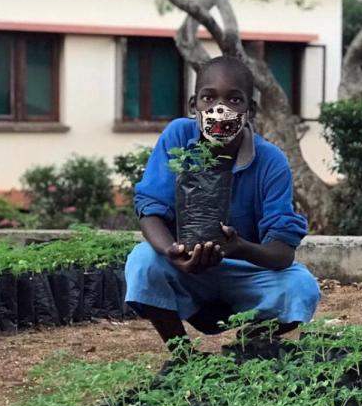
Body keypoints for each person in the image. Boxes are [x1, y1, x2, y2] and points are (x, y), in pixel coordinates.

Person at [125, 55, 320, 351]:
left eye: (234, 100)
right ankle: (182, 357)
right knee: (142, 261)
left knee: (301, 287)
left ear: (250, 110)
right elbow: (150, 208)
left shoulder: (270, 161)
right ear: (194, 106)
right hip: (186, 269)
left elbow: (282, 254)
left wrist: (240, 247)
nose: (221, 109)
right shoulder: (178, 137)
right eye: (209, 98)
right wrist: (172, 251)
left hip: (245, 273)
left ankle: (251, 345)